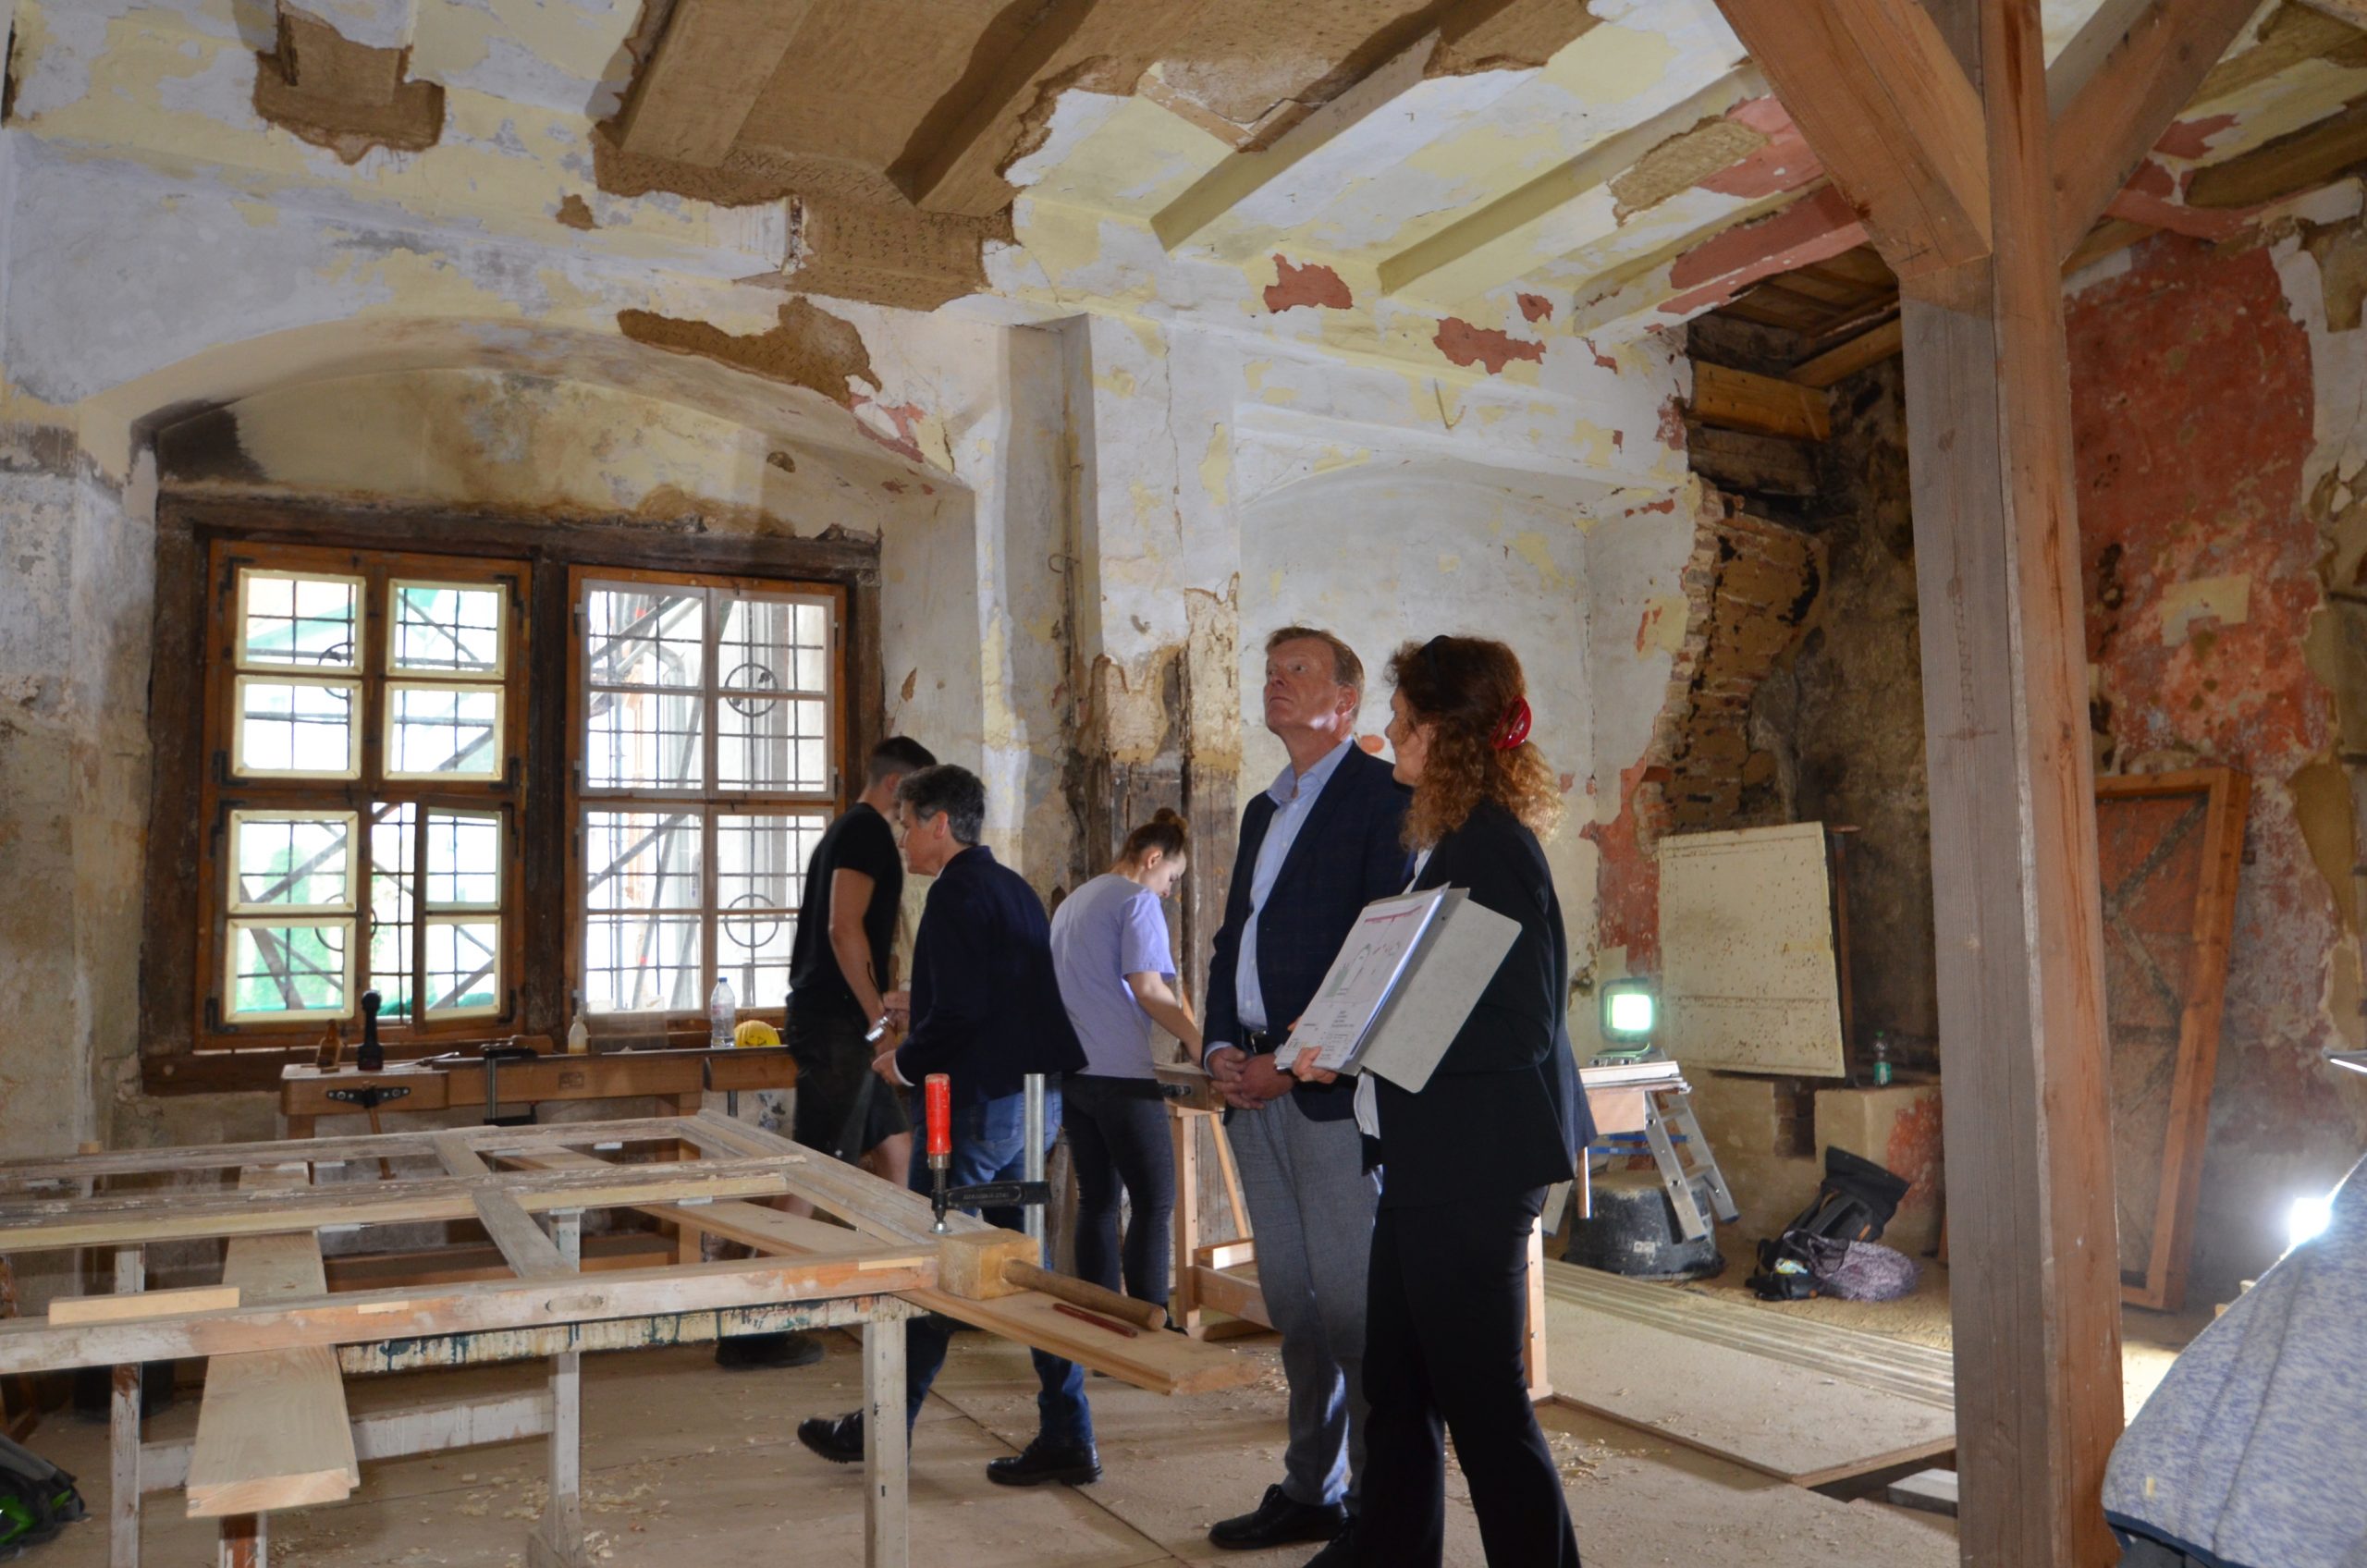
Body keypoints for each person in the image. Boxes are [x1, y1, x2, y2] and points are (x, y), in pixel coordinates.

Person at [1290, 635, 1589, 1568]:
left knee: (1484, 1406)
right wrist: (1347, 1044)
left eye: (1402, 720)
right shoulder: (1454, 843)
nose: (1389, 734)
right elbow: (1441, 1006)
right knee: (1398, 1384)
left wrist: (1366, 1041)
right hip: (1430, 1162)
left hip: (1474, 1168)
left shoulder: (1491, 847)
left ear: (1444, 736)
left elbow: (1519, 1028)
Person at [794, 763, 1098, 1486]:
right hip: (1034, 1100)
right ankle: (1069, 1431)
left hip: (986, 1103)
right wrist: (919, 1003)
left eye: (907, 825)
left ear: (939, 824)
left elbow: (962, 1014)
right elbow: (996, 997)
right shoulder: (1009, 887)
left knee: (932, 1260)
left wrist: (904, 1061)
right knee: (1029, 1270)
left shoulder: (956, 894)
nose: (901, 839)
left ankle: (883, 1424)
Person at [1201, 628, 1412, 1551]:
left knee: (1354, 1310)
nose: (1275, 682)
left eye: (1298, 671)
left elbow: (1379, 951)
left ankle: (1377, 1505)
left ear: (1346, 702)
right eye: (1270, 669)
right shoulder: (1264, 808)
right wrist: (1219, 1044)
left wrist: (1287, 1061)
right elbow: (1231, 940)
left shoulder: (1382, 798)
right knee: (1293, 1302)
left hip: (1325, 1089)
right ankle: (1311, 1485)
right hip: (1251, 1083)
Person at [718, 736, 936, 1371]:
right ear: (896, 785)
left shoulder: (848, 831)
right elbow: (844, 930)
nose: (919, 812)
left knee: (899, 1153)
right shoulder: (865, 832)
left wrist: (878, 1007)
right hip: (838, 1030)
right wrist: (876, 1021)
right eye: (917, 794)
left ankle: (902, 1301)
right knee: (814, 1174)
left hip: (837, 1023)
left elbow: (847, 934)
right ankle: (752, 1329)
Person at [1050, 808, 1200, 1311]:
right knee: (1155, 1202)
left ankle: (1104, 1324)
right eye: (1172, 877)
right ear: (1153, 859)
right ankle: (1151, 1325)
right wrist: (1199, 1043)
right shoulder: (1136, 900)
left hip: (1075, 1074)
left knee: (1097, 1202)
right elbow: (1150, 989)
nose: (1170, 891)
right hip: (1120, 1074)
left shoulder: (1076, 901)